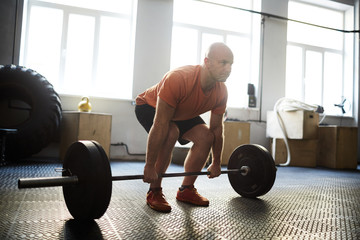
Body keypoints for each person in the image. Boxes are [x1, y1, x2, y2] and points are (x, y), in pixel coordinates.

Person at [134, 42, 234, 212]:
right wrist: (149, 166)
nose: (228, 68)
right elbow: (160, 124)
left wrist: (216, 162)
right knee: (170, 132)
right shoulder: (179, 78)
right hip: (149, 106)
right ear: (207, 61)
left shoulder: (221, 91)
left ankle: (186, 190)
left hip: (181, 111)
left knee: (206, 137)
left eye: (231, 64)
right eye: (223, 63)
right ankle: (155, 190)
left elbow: (217, 129)